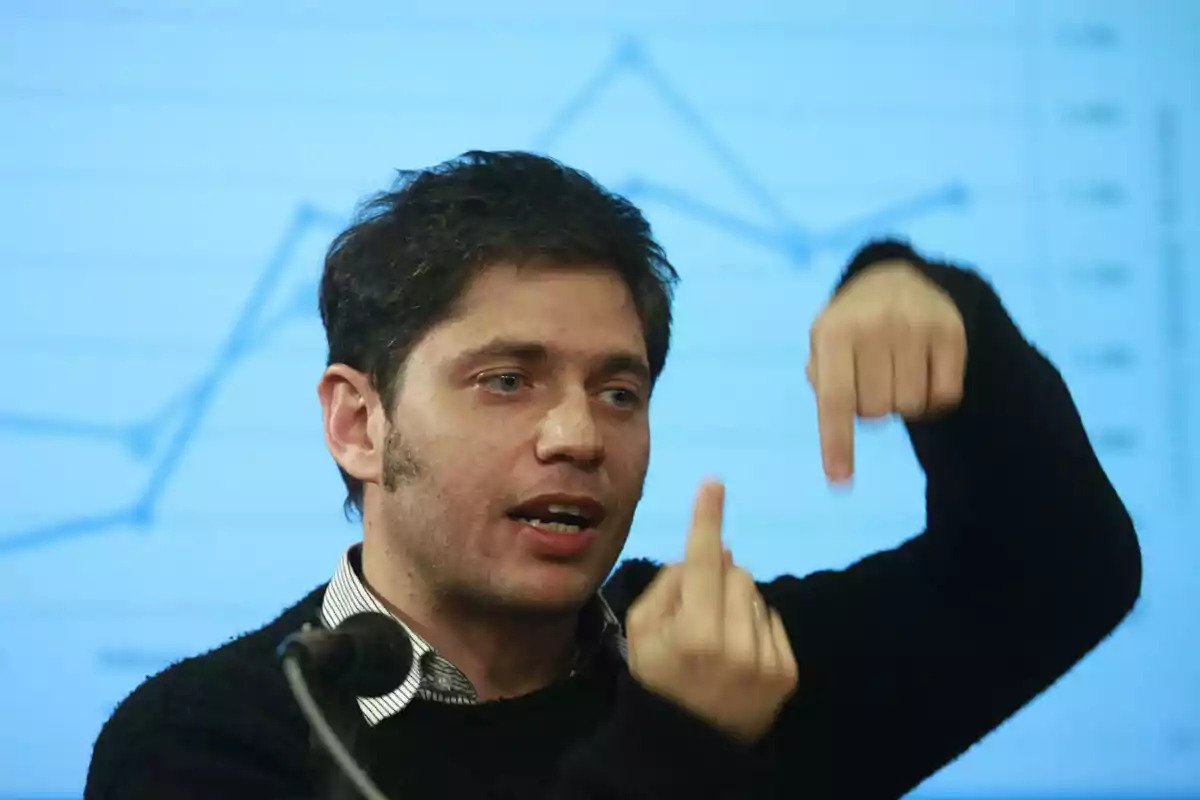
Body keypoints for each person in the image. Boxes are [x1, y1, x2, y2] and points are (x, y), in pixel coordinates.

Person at [84, 150, 1141, 799]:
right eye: (506, 380)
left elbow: (1055, 573)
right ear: (358, 422)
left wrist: (932, 311)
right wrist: (682, 744)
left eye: (619, 390)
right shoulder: (213, 740)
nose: (578, 434)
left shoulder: (712, 657)